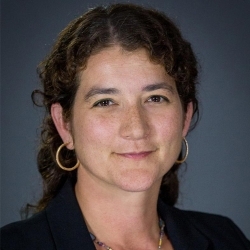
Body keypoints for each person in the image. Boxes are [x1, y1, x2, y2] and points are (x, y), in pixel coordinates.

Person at [1, 3, 250, 250]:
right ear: (65, 124)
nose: (136, 128)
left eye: (155, 98)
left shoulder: (226, 240)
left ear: (185, 116)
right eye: (106, 102)